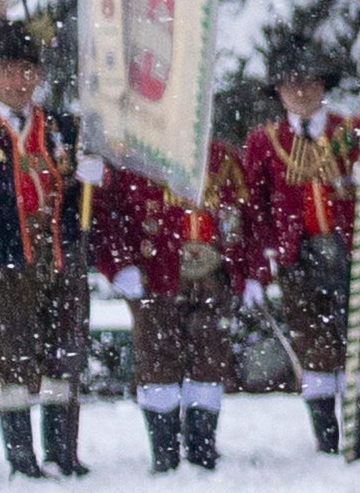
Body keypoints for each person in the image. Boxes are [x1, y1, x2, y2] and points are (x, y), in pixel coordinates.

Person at [0, 17, 93, 479]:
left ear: (39, 76)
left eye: (27, 71)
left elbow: (77, 197)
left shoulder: (63, 126)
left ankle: (62, 451)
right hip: (6, 258)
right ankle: (21, 457)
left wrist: (90, 180)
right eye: (8, 70)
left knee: (64, 355)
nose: (18, 81)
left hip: (62, 256)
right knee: (13, 357)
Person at [237, 40, 360, 458]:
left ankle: (357, 436)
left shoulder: (353, 131)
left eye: (308, 83)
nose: (300, 93)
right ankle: (327, 439)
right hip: (297, 256)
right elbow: (255, 209)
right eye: (290, 86)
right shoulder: (264, 142)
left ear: (323, 85)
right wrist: (257, 265)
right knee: (314, 346)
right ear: (278, 93)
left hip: (354, 251)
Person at [95, 139, 247, 473]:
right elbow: (104, 216)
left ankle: (201, 447)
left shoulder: (222, 154)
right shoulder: (132, 154)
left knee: (209, 359)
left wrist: (247, 270)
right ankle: (164, 451)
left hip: (210, 272)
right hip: (154, 273)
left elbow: (244, 213)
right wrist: (118, 264)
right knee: (156, 359)